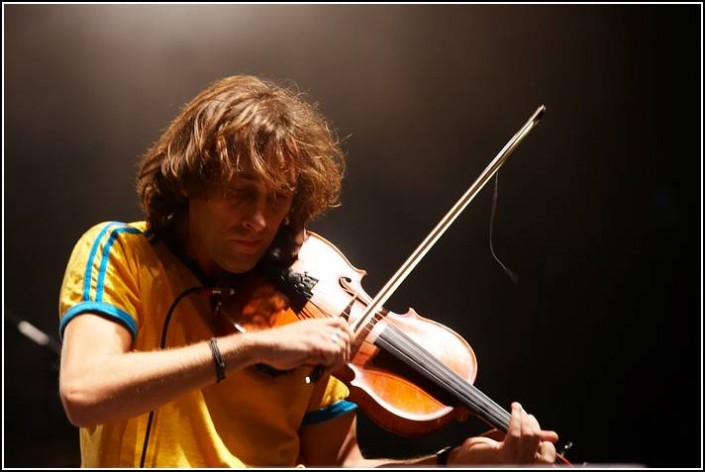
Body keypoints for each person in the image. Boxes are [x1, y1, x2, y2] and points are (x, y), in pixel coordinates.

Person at [58, 75, 559, 467]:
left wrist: (459, 462)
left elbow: (341, 467)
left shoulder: (305, 314)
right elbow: (85, 393)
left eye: (278, 200)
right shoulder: (122, 251)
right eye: (240, 192)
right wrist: (253, 347)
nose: (259, 221)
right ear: (192, 180)